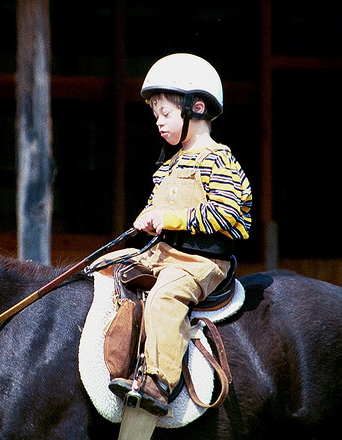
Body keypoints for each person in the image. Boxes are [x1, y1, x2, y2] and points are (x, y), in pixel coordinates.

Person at [108, 53, 252, 416]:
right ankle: (120, 361)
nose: (158, 122)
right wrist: (146, 218)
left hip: (201, 261)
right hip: (162, 253)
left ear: (196, 108)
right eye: (155, 114)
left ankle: (159, 381)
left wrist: (168, 218)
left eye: (166, 114)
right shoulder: (169, 164)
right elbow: (154, 205)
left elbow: (228, 214)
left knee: (167, 296)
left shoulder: (218, 159)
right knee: (106, 269)